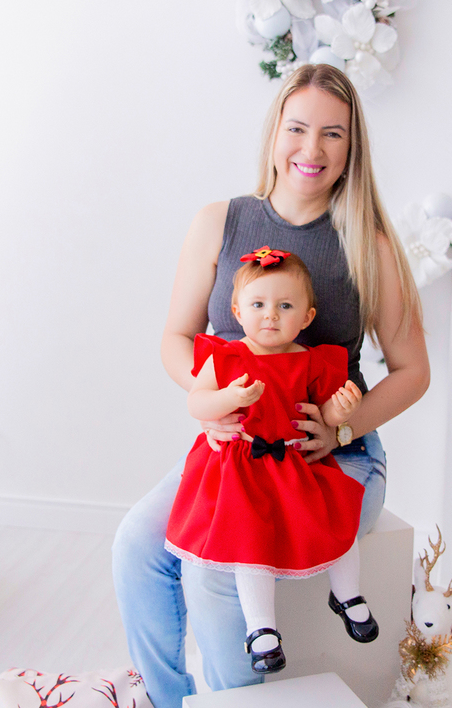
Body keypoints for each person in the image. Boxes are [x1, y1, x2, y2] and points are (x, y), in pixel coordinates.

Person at [112, 64, 430, 708]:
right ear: (275, 132)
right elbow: (177, 337)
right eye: (298, 128)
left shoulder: (367, 245)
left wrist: (344, 427)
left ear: (352, 148)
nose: (312, 149)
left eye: (333, 134)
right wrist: (210, 403)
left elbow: (413, 371)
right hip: (236, 453)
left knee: (217, 570)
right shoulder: (219, 222)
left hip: (330, 459)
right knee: (136, 548)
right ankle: (170, 700)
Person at [166, 249, 376, 676]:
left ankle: (348, 594)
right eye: (258, 304)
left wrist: (341, 408)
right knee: (251, 543)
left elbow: (324, 414)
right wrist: (228, 398)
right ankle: (261, 628)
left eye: (285, 306)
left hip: (295, 463)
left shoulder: (311, 360)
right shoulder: (226, 357)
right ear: (237, 311)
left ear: (307, 316)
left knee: (337, 518)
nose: (270, 315)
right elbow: (197, 402)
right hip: (242, 468)